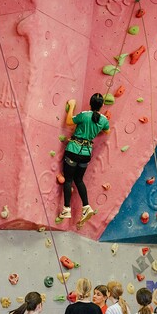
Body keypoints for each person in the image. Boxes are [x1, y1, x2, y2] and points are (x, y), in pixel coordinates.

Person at [58, 93, 110, 224]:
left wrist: (71, 106)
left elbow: (69, 122)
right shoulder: (104, 120)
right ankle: (86, 206)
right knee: (79, 180)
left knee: (69, 179)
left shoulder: (84, 115)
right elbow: (107, 131)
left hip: (74, 150)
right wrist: (97, 128)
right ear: (102, 105)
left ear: (90, 103)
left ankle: (67, 209)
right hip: (86, 154)